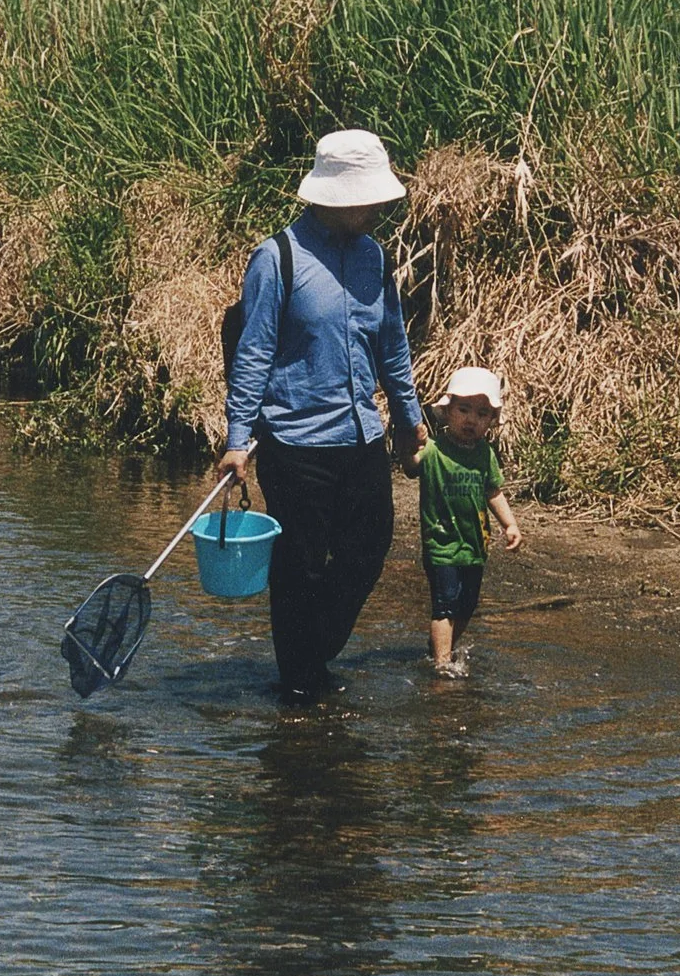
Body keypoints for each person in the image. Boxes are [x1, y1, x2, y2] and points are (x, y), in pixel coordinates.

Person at [219, 129, 427, 702]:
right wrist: (238, 439)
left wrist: (410, 424)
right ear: (334, 195)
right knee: (301, 565)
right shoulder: (277, 257)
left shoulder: (374, 258)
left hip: (361, 432)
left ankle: (314, 651)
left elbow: (392, 348)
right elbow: (254, 351)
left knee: (371, 544)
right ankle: (300, 685)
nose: (377, 208)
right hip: (293, 441)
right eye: (368, 199)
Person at [414, 367, 523, 678]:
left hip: (474, 543)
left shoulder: (485, 453)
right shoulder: (434, 450)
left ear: (491, 420)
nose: (471, 419)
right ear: (447, 411)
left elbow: (493, 490)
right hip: (441, 542)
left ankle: (437, 648)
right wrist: (410, 445)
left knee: (468, 604)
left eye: (482, 413)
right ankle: (442, 666)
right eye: (464, 410)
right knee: (445, 603)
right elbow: (411, 467)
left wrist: (510, 524)